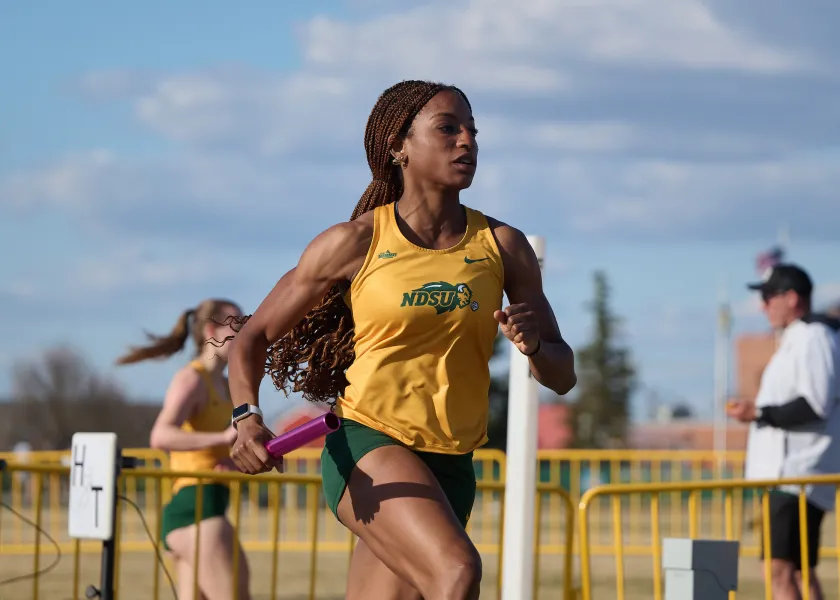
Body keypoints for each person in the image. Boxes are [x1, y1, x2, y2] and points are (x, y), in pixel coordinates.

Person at [225, 80, 577, 600]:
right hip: (369, 443)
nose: (467, 142)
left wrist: (534, 348)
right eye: (447, 129)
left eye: (472, 131)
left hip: (451, 462)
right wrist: (245, 417)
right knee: (456, 573)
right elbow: (252, 337)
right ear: (399, 148)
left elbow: (563, 374)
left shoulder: (503, 246)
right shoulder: (356, 241)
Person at [116, 299, 251, 600]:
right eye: (237, 326)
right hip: (195, 509)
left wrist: (233, 461)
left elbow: (219, 447)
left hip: (210, 506)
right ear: (210, 330)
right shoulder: (191, 379)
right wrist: (220, 438)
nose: (244, 334)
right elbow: (161, 435)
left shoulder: (228, 385)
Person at [727, 264, 840, 600]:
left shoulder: (813, 336)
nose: (763, 306)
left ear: (791, 298)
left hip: (795, 475)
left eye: (768, 297)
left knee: (779, 571)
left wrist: (759, 412)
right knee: (799, 571)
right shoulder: (803, 336)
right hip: (792, 475)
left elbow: (815, 405)